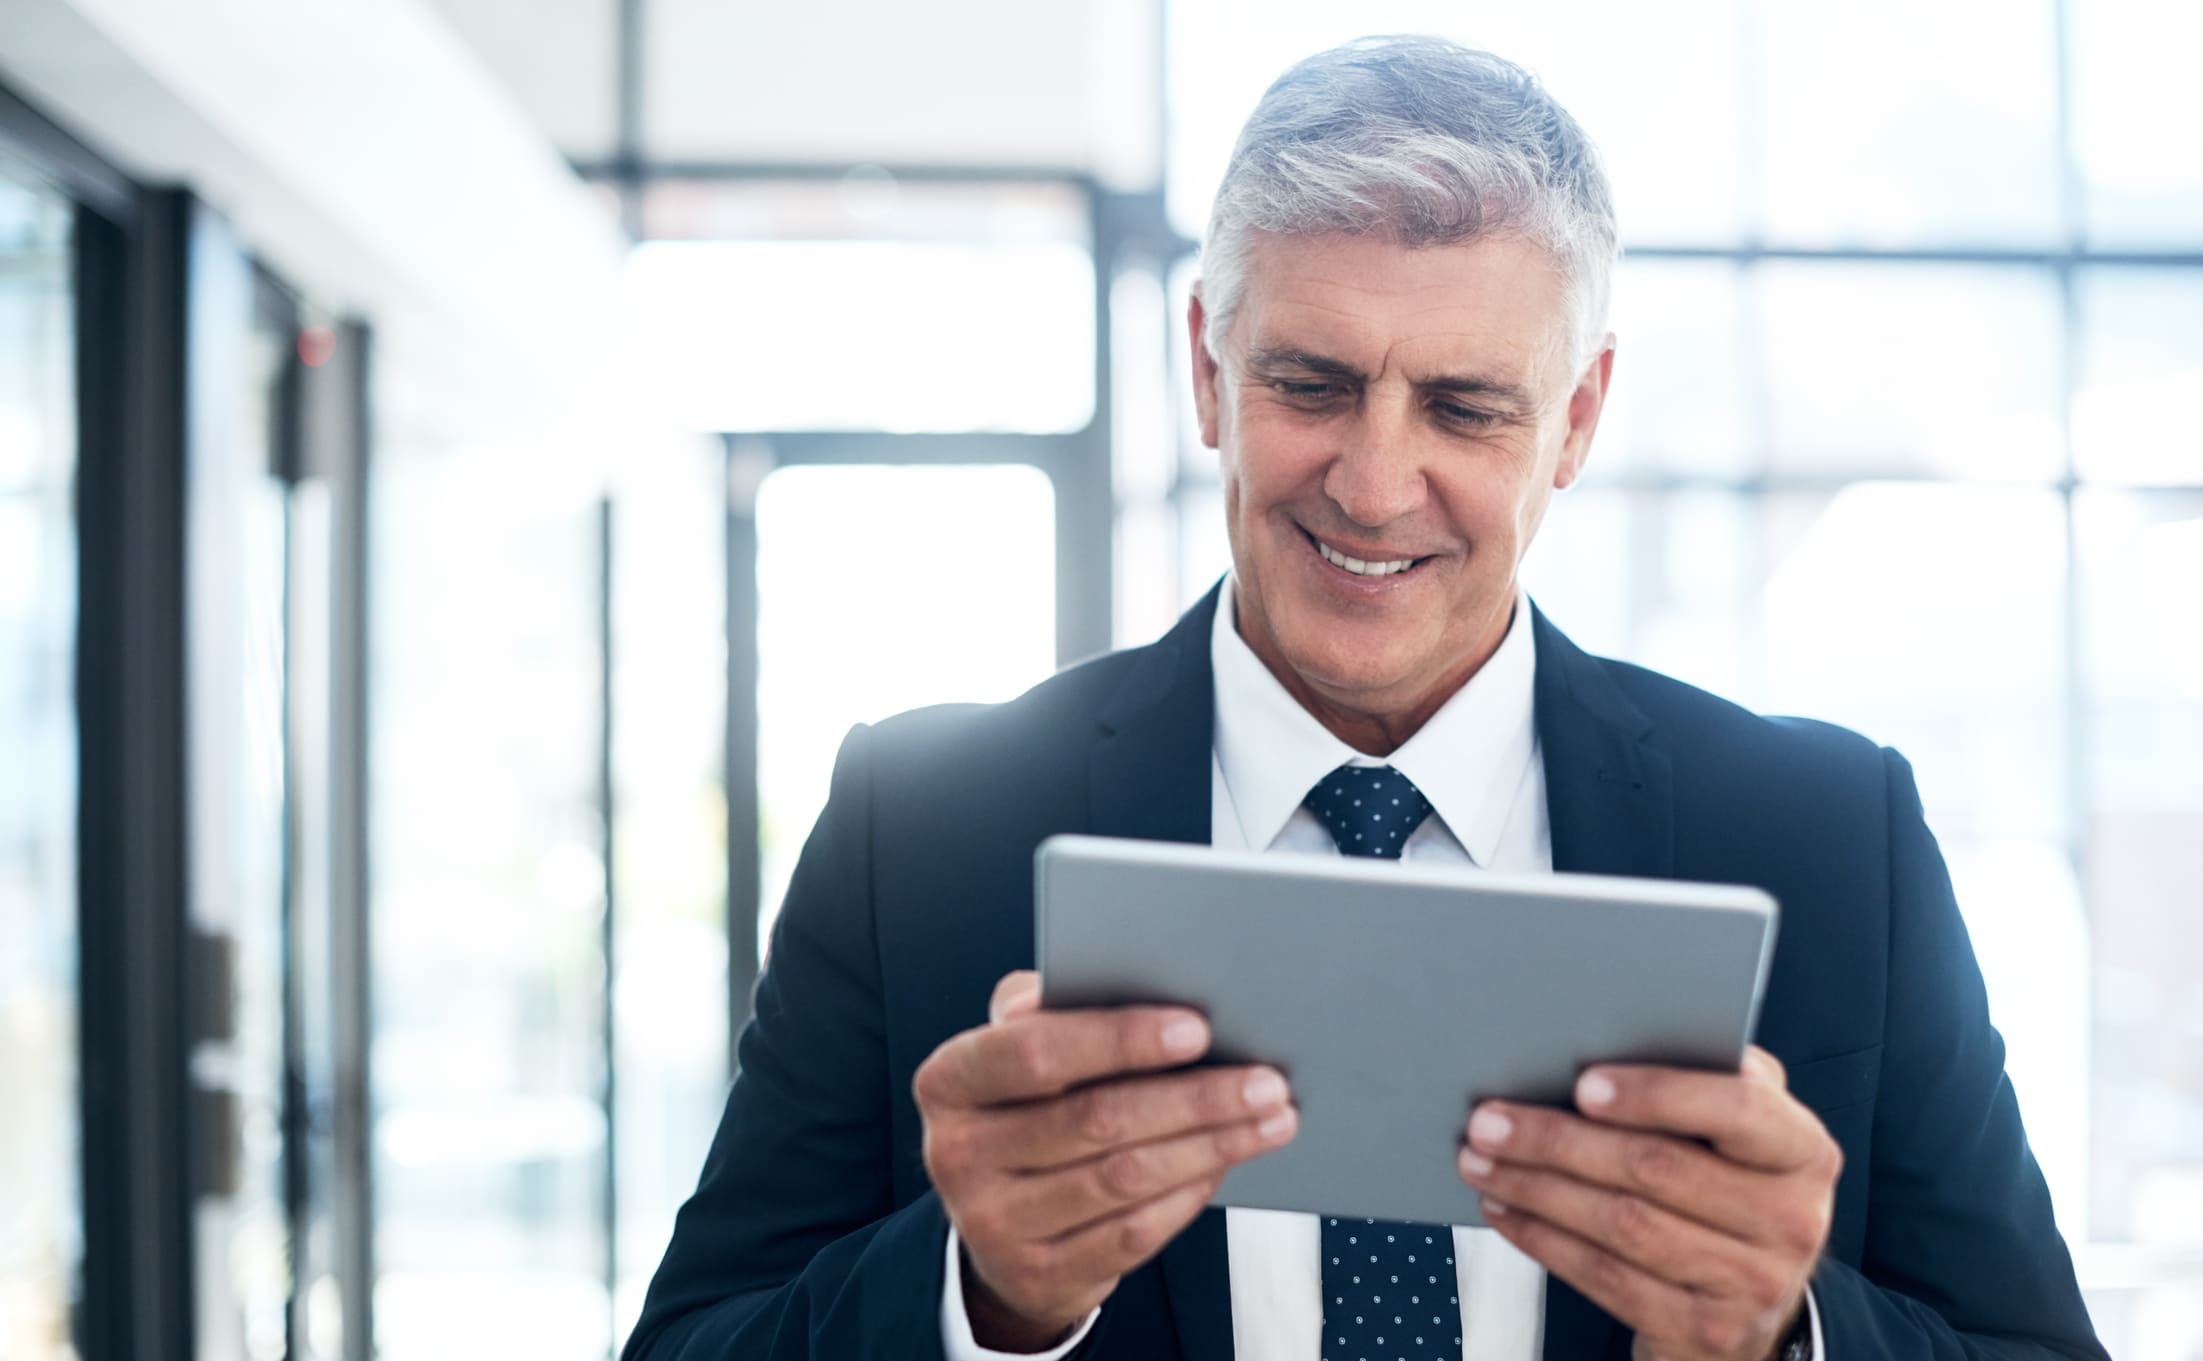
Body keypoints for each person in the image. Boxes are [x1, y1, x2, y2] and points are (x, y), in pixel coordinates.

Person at [622, 35, 2106, 1361]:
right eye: (1312, 384)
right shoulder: (921, 830)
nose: (1377, 484)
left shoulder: (1830, 834)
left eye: (1465, 406)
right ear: (1210, 371)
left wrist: (1786, 1337)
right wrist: (973, 1293)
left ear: (1577, 418)